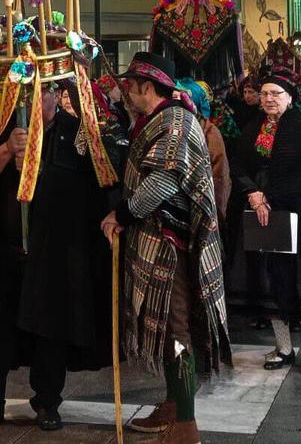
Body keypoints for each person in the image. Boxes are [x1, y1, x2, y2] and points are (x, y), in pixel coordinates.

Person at [0, 82, 115, 435]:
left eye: (40, 91)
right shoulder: (2, 128)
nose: (32, 99)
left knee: (50, 331)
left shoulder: (76, 133)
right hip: (7, 252)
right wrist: (8, 148)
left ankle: (47, 402)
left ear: (55, 93)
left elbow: (95, 188)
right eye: (25, 91)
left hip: (56, 253)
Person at [101, 52, 230, 443]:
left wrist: (121, 214)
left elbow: (164, 181)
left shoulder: (174, 121)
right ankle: (175, 404)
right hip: (160, 240)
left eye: (130, 86)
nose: (126, 93)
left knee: (177, 332)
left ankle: (186, 425)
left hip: (170, 245)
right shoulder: (160, 118)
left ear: (147, 87)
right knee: (172, 329)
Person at [232, 72, 301, 375]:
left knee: (299, 284)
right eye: (264, 93)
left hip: (298, 216)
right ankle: (283, 347)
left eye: (275, 93)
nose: (268, 99)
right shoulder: (253, 127)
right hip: (261, 214)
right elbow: (238, 164)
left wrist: (269, 195)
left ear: (290, 97)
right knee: (270, 281)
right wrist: (253, 194)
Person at [176, 79, 231, 221]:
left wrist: (216, 214)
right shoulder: (170, 124)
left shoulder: (209, 132)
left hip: (201, 209)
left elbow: (219, 177)